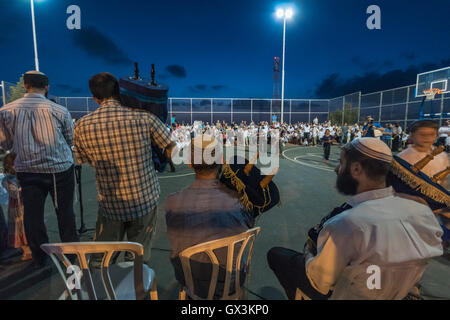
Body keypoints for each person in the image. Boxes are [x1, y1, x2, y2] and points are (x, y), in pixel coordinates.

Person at [267, 138, 443, 300]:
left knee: (277, 255)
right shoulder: (424, 214)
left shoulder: (347, 224)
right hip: (399, 292)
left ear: (357, 169)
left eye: (341, 163)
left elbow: (319, 281)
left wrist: (308, 255)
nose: (337, 169)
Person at [73, 73, 175, 267]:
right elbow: (170, 145)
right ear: (119, 92)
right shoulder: (145, 118)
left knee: (102, 259)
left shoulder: (81, 125)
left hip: (110, 204)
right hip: (144, 200)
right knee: (138, 257)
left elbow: (84, 159)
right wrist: (157, 161)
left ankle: (104, 291)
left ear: (94, 97)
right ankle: (136, 289)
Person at [0, 71, 79, 268]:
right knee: (65, 214)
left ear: (25, 85)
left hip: (28, 170)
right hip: (59, 169)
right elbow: (69, 140)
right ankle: (71, 256)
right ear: (47, 87)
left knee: (32, 216)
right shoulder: (59, 110)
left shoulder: (7, 110)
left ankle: (39, 257)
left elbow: (4, 143)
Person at [165, 134, 255, 299]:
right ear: (221, 160)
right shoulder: (239, 201)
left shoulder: (172, 202)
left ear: (190, 163)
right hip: (231, 281)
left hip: (192, 281)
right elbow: (248, 225)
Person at [2, 153, 32, 261]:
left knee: (29, 226)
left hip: (25, 205)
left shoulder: (23, 174)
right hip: (17, 209)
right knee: (19, 229)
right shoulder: (7, 180)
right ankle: (26, 250)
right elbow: (14, 193)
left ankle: (32, 248)